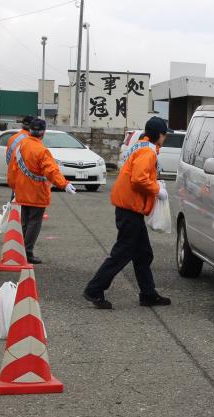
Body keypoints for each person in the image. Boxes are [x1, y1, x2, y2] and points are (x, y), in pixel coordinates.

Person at [83, 116, 172, 309]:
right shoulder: (148, 153)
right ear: (158, 135)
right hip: (130, 209)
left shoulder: (139, 147)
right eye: (165, 135)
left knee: (143, 254)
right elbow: (139, 179)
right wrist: (158, 190)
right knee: (122, 253)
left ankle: (148, 294)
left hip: (128, 208)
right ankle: (94, 289)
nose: (165, 139)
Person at [12, 118, 77, 264]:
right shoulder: (41, 150)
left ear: (30, 130)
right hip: (37, 192)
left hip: (22, 189)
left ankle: (20, 249)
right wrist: (64, 184)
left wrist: (13, 185)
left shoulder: (21, 145)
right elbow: (51, 171)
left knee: (25, 222)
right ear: (43, 132)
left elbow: (14, 166)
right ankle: (27, 252)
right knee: (34, 222)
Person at [6, 115, 35, 198]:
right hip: (27, 178)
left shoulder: (13, 138)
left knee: (15, 204)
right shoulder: (31, 140)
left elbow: (8, 159)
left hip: (14, 176)